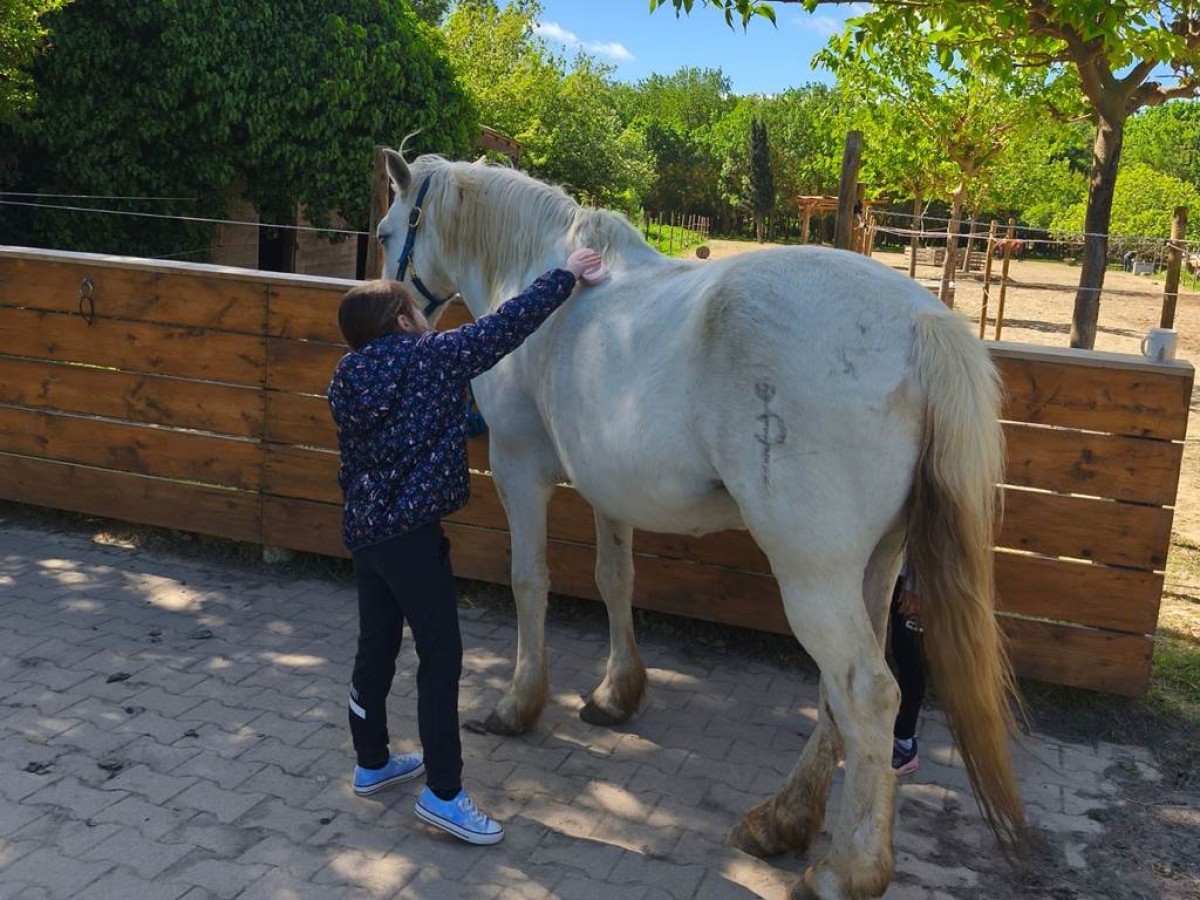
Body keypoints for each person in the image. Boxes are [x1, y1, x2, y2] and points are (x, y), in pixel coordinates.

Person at [327, 247, 604, 845]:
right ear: (402, 321)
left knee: (375, 647)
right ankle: (444, 794)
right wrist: (568, 274)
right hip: (412, 537)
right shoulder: (433, 358)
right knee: (441, 658)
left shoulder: (346, 376)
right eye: (417, 309)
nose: (430, 315)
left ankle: (371, 760)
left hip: (367, 535)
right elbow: (506, 326)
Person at [890, 564, 925, 775]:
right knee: (902, 650)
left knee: (910, 656)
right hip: (896, 573)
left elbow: (933, 536)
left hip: (917, 583)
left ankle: (905, 744)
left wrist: (917, 586)